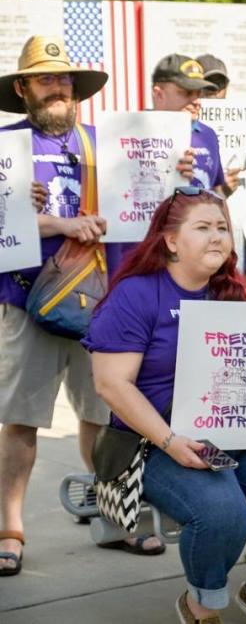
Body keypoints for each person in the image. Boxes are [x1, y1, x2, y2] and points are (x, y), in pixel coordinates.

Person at [84, 187, 246, 623]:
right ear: (171, 241)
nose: (217, 236)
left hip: (235, 433)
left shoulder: (237, 292)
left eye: (222, 228)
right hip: (152, 443)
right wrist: (171, 440)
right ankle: (202, 605)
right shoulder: (136, 295)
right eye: (203, 228)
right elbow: (111, 385)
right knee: (222, 512)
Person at [0, 34, 145, 577]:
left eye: (64, 79)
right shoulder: (4, 147)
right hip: (25, 298)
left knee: (104, 417)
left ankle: (116, 520)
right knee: (20, 420)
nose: (58, 88)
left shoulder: (104, 144)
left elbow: (146, 203)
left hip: (103, 304)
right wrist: (37, 215)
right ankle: (10, 530)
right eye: (46, 79)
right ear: (23, 89)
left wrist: (175, 171)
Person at [196, 53, 246, 279]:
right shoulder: (184, 133)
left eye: (218, 84)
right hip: (197, 251)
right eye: (205, 85)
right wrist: (219, 193)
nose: (213, 91)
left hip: (235, 247)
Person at [151, 54, 226, 195]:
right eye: (187, 93)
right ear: (159, 95)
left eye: (199, 93)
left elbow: (217, 191)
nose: (197, 101)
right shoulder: (133, 136)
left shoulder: (208, 134)